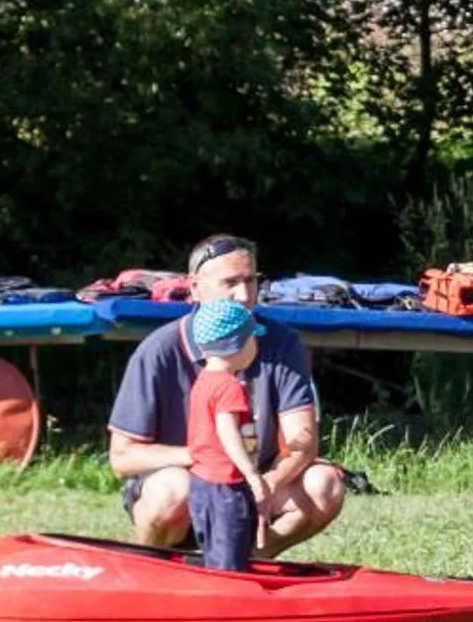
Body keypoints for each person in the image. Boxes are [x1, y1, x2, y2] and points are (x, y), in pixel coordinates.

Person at [108, 234, 348, 556]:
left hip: (254, 483)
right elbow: (122, 458)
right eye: (230, 282)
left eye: (251, 281)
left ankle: (250, 561)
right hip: (187, 486)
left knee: (325, 484)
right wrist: (202, 456)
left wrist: (269, 482)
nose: (244, 295)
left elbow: (302, 439)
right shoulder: (159, 350)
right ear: (195, 288)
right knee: (171, 491)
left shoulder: (282, 342)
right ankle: (160, 566)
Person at [182, 299, 271, 572]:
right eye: (253, 339)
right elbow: (227, 432)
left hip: (200, 485)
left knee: (214, 550)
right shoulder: (228, 386)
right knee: (229, 561)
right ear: (238, 344)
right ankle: (230, 602)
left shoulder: (203, 381)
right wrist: (252, 475)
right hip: (226, 487)